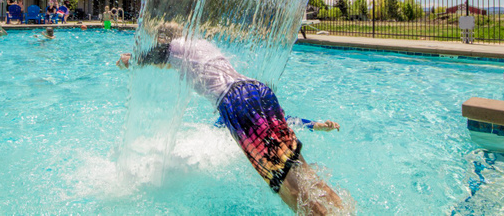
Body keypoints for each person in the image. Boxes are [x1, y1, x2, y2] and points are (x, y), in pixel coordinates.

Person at [117, 26, 344, 214]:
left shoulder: (176, 48)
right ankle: (345, 210)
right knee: (305, 173)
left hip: (235, 102)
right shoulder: (202, 46)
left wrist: (129, 59)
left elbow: (150, 57)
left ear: (165, 39)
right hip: (258, 89)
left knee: (286, 187)